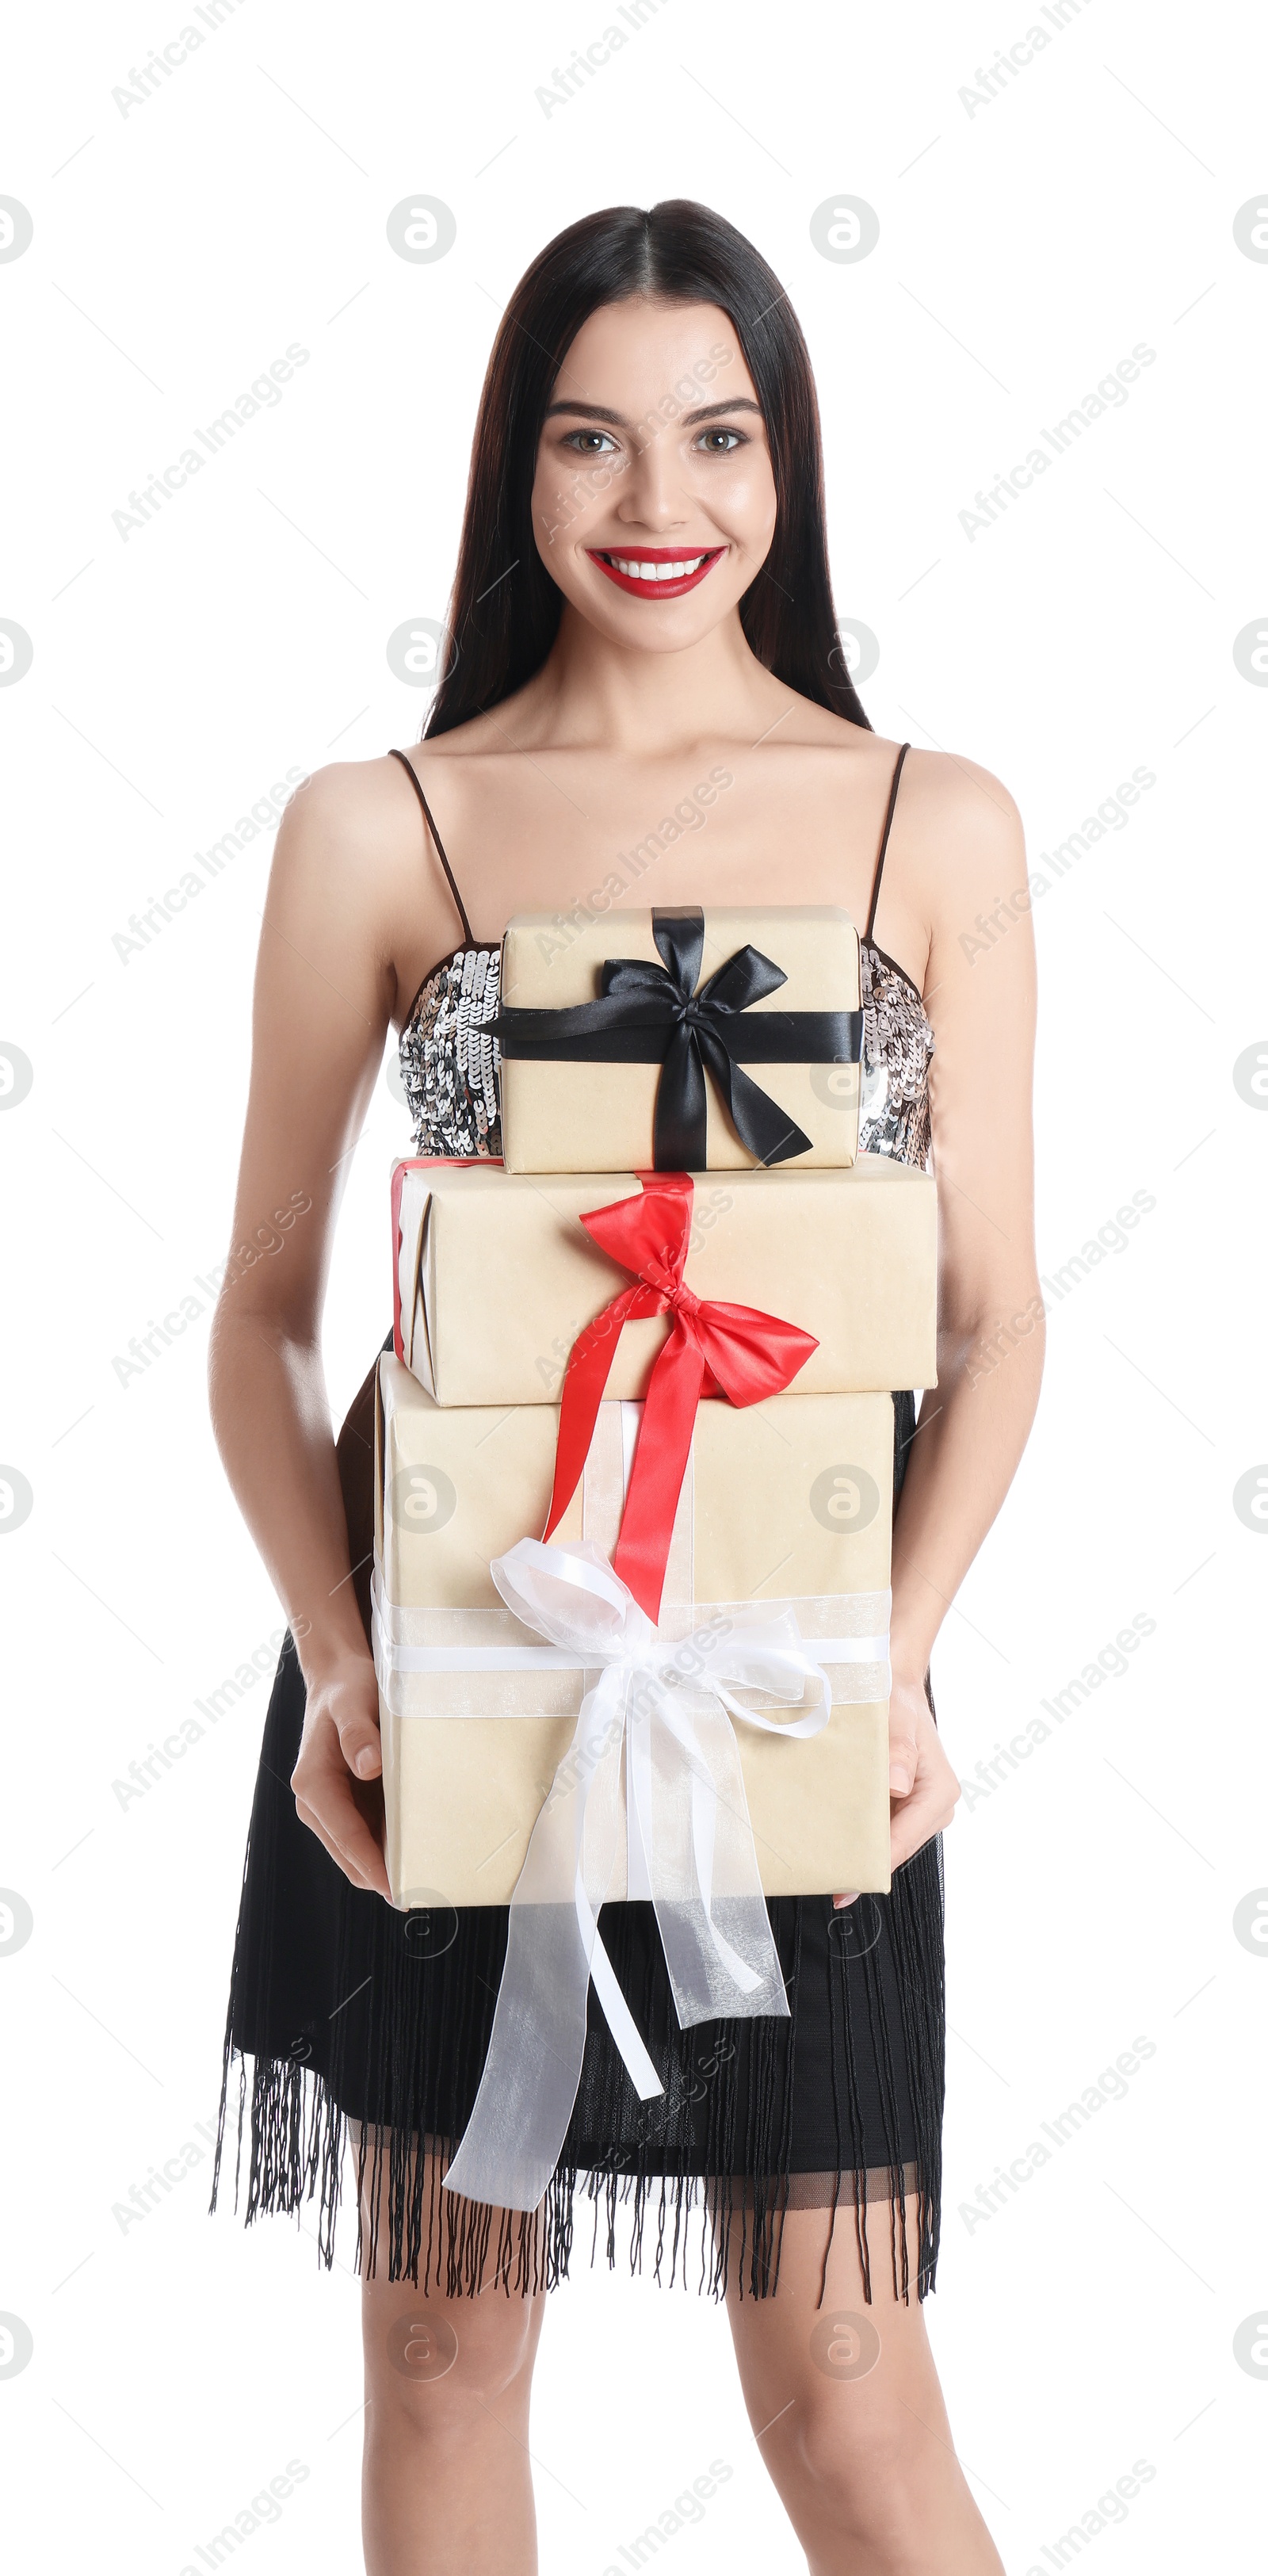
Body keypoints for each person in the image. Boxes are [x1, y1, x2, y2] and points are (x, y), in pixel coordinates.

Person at [210, 199, 1041, 2576]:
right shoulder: (381, 822)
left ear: (786, 470)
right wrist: (348, 1670)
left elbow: (999, 1314)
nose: (654, 504)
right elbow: (263, 1316)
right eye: (589, 439)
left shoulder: (930, 819)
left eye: (714, 436)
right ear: (515, 464)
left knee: (845, 2390)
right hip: (454, 1655)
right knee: (446, 2350)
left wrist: (893, 1654)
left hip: (792, 1658)